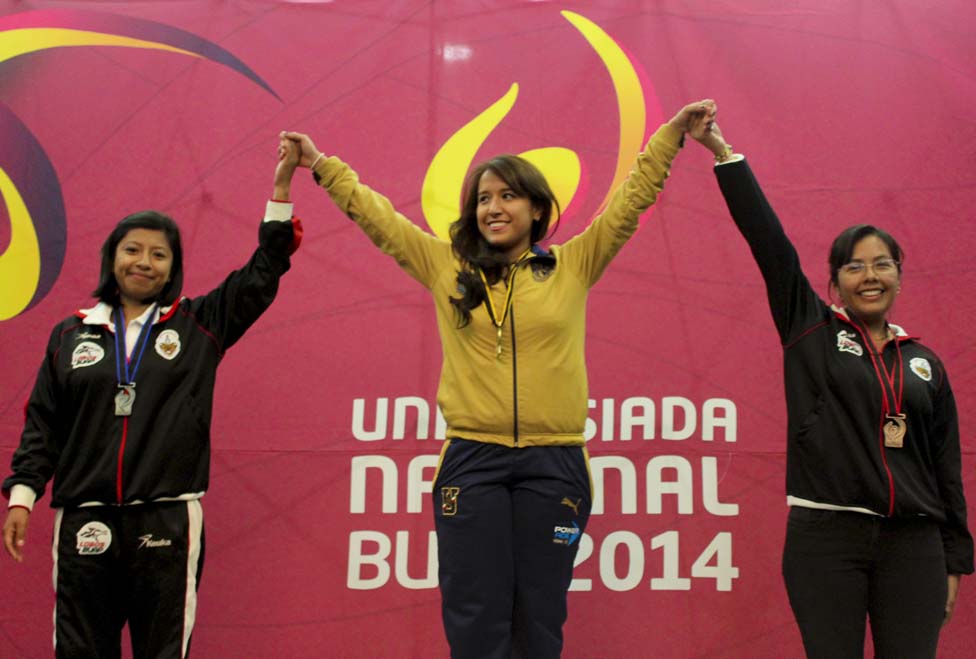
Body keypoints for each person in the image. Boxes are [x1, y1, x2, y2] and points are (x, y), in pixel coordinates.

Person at [281, 99, 715, 659]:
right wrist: (320, 165)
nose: (493, 207)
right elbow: (378, 217)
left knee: (539, 619)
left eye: (507, 195)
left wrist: (672, 135)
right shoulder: (445, 267)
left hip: (554, 463)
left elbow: (631, 200)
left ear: (536, 209)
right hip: (473, 461)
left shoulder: (573, 264)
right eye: (483, 198)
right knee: (475, 620)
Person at [2, 138, 304, 658]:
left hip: (166, 521)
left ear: (173, 267)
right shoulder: (71, 336)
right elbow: (44, 423)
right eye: (132, 250)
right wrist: (23, 495)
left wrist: (281, 188)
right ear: (112, 258)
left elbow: (262, 273)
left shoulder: (199, 325)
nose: (144, 262)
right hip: (84, 520)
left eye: (158, 254)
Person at [691, 124, 974, 658]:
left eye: (882, 264)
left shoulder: (923, 362)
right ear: (835, 281)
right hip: (826, 537)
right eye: (854, 266)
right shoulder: (811, 329)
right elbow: (769, 243)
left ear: (899, 277)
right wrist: (724, 154)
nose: (870, 276)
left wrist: (955, 557)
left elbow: (945, 467)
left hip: (913, 545)